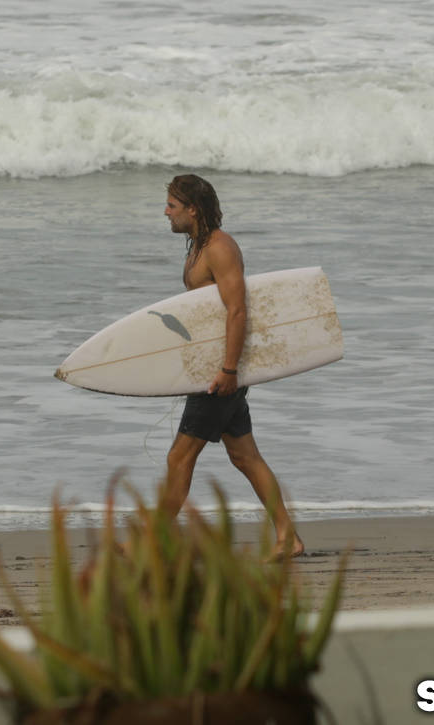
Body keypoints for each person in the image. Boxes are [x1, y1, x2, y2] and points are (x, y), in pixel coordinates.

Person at [160, 174, 305, 559]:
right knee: (245, 456)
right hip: (217, 369)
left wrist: (227, 370)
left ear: (193, 209)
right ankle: (288, 537)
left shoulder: (220, 248)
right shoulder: (199, 247)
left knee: (179, 457)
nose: (166, 212)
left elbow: (238, 309)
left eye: (172, 205)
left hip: (220, 374)